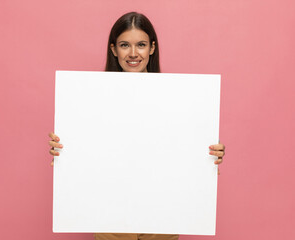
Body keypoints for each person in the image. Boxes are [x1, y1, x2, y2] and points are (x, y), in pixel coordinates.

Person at [48, 12, 225, 240]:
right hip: (111, 221)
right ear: (114, 49)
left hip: (162, 220)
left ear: (152, 48)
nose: (133, 53)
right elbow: (85, 158)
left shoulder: (178, 100)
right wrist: (62, 149)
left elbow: (183, 153)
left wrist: (211, 153)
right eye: (124, 45)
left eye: (141, 45)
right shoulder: (89, 100)